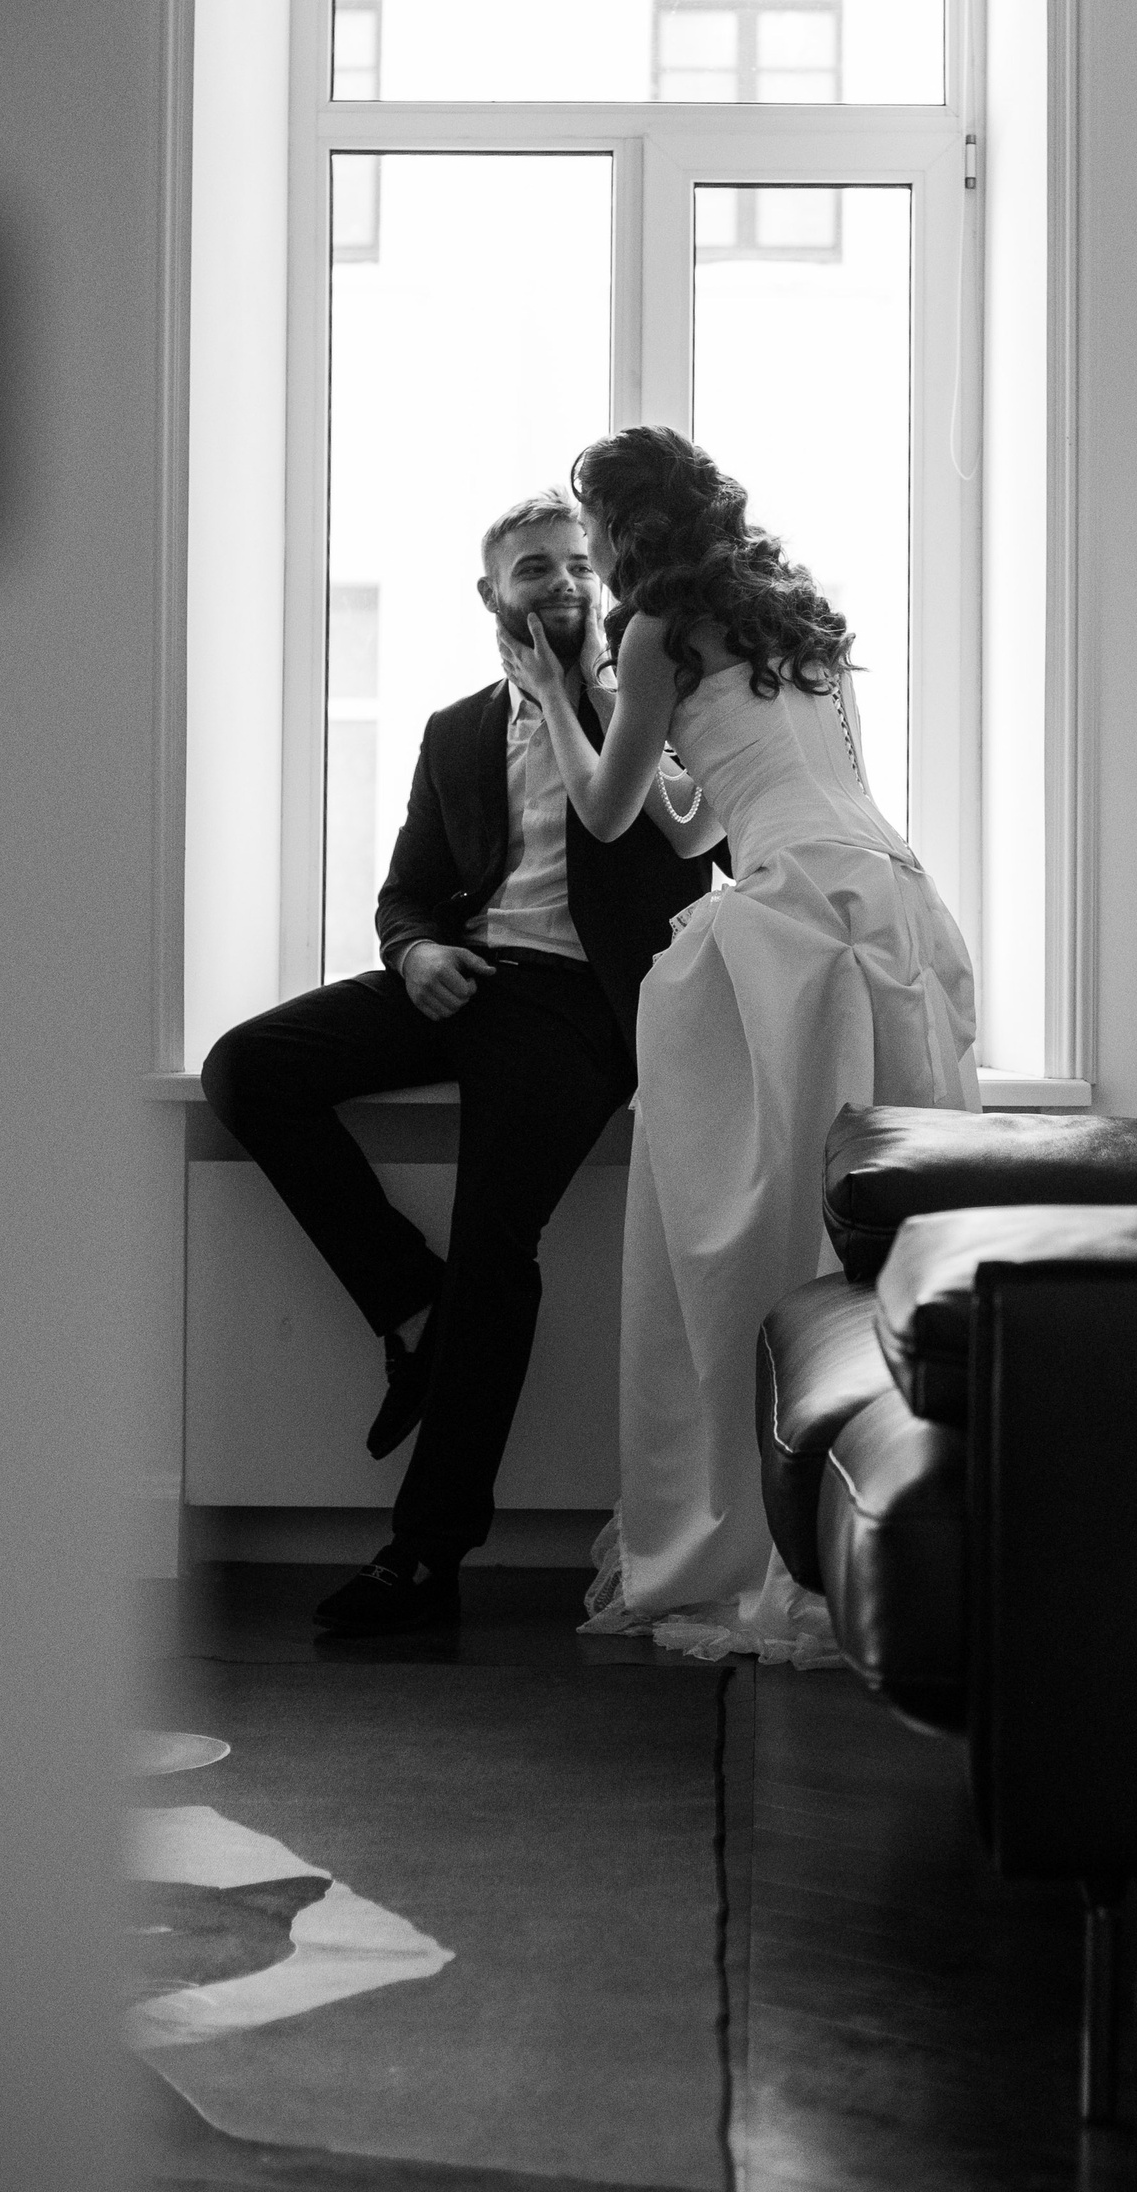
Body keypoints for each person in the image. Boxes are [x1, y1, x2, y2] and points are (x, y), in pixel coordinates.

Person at [199, 489, 723, 1636]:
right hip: (463, 977)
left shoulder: (660, 707)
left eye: (578, 562)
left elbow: (710, 843)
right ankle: (409, 1294)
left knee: (497, 1246)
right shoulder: (456, 731)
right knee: (246, 1068)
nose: (563, 582)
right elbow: (406, 890)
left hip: (580, 1008)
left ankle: (424, 1559)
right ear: (491, 594)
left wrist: (593, 703)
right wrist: (418, 949)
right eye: (534, 567)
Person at [495, 428, 978, 1665]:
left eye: (595, 534)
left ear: (627, 530)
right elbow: (698, 819)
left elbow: (609, 813)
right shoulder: (798, 618)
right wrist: (639, 727)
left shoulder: (656, 628)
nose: (594, 560)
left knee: (752, 1221)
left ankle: (765, 1524)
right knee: (874, 1220)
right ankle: (867, 1523)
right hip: (891, 896)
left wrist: (560, 700)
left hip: (797, 913)